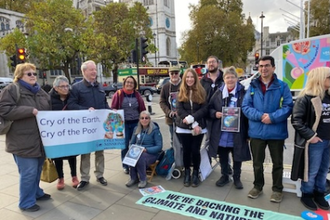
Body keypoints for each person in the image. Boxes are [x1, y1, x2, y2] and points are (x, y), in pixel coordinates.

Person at [0, 63, 51, 212]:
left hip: (40, 140)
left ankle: (36, 193)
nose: (33, 76)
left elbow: (50, 108)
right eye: (29, 74)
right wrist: (30, 110)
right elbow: (4, 110)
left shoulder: (40, 91)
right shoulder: (12, 89)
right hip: (22, 140)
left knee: (36, 170)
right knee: (28, 172)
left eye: (34, 73)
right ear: (20, 75)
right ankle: (26, 202)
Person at [242, 55, 293, 203]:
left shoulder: (282, 86)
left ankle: (277, 189)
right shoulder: (252, 86)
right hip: (257, 131)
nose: (263, 68)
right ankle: (257, 186)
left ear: (273, 68)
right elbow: (245, 107)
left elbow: (288, 106)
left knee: (277, 163)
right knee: (257, 163)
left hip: (276, 132)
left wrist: (273, 117)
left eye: (267, 65)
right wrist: (259, 116)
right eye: (261, 66)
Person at [291, 67, 330, 210]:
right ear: (320, 78)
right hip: (315, 141)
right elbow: (296, 121)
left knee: (324, 169)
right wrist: (311, 137)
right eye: (328, 77)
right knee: (311, 170)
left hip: (328, 140)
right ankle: (307, 194)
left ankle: (319, 192)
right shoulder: (305, 99)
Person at [68, 60, 110, 191]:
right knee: (85, 152)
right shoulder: (76, 88)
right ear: (84, 71)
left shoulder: (99, 87)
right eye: (91, 70)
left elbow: (104, 104)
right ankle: (85, 178)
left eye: (95, 70)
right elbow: (71, 105)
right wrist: (85, 110)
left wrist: (110, 111)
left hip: (99, 126)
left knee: (100, 151)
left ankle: (100, 175)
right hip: (86, 127)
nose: (94, 72)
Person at [208, 66, 251, 189]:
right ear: (224, 79)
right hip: (221, 132)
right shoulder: (218, 93)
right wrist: (215, 114)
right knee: (223, 155)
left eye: (232, 77)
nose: (230, 80)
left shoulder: (243, 93)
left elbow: (248, 111)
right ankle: (225, 176)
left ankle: (237, 178)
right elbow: (209, 108)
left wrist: (248, 133)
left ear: (237, 79)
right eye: (227, 77)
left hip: (238, 132)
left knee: (237, 155)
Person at [176, 68, 208, 187]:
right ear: (184, 79)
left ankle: (195, 173)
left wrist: (193, 119)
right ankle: (187, 173)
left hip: (199, 127)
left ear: (195, 78)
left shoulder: (201, 91)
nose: (189, 79)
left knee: (195, 150)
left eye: (192, 77)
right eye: (187, 77)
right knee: (186, 150)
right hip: (184, 127)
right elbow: (179, 109)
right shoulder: (180, 90)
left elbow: (204, 109)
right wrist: (191, 123)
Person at [111, 76, 146, 174]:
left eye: (131, 83)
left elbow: (142, 109)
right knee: (124, 145)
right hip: (123, 124)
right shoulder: (118, 94)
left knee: (135, 144)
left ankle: (134, 164)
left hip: (135, 123)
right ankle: (125, 165)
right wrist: (114, 111)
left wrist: (143, 120)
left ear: (134, 85)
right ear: (124, 83)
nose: (129, 84)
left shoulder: (137, 95)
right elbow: (113, 108)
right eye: (127, 82)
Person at [50, 76, 79, 190]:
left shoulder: (72, 97)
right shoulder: (49, 99)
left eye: (67, 86)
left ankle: (74, 176)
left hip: (70, 132)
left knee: (72, 155)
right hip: (57, 133)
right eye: (62, 86)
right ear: (55, 88)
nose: (66, 88)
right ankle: (60, 178)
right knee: (58, 156)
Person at [125, 111, 163, 188]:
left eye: (146, 118)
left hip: (151, 153)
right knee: (132, 155)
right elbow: (131, 142)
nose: (144, 120)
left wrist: (147, 149)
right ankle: (133, 178)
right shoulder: (136, 129)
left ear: (149, 119)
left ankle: (143, 179)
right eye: (142, 118)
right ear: (139, 120)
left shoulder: (155, 130)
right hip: (139, 152)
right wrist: (133, 149)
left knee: (140, 157)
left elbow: (159, 146)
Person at [159, 66, 181, 147]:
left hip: (183, 119)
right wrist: (168, 112)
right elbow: (162, 102)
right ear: (169, 74)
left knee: (184, 141)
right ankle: (175, 158)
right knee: (173, 141)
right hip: (171, 119)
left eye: (176, 73)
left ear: (179, 74)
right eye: (172, 73)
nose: (174, 75)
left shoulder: (184, 85)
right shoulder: (165, 87)